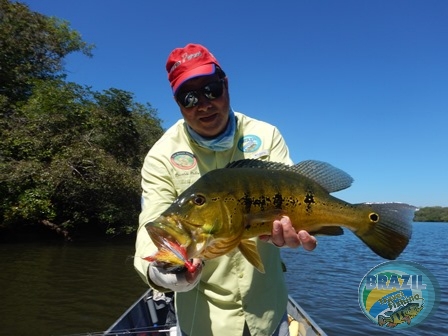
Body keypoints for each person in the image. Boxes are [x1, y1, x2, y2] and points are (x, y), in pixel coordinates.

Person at [134, 43, 317, 336]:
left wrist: (295, 230)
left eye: (210, 89)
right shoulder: (161, 155)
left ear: (226, 84)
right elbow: (152, 221)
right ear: (177, 103)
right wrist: (161, 273)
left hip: (267, 311)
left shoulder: (265, 135)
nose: (203, 104)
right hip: (205, 321)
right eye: (189, 97)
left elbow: (296, 197)